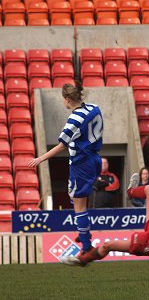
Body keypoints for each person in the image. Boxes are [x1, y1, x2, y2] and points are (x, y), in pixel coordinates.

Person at [28, 83, 103, 256]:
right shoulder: (94, 108)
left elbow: (62, 145)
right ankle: (84, 231)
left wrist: (41, 158)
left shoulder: (74, 120)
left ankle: (86, 246)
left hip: (81, 163)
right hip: (94, 157)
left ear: (67, 99)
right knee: (74, 196)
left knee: (79, 205)